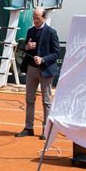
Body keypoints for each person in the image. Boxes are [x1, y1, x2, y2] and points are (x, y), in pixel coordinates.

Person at [15, 7, 60, 139]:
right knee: (29, 99)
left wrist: (43, 59)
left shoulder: (51, 32)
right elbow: (26, 49)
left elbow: (56, 52)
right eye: (33, 17)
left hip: (46, 70)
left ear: (44, 18)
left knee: (46, 101)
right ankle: (29, 128)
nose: (35, 20)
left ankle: (46, 130)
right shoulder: (30, 31)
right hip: (31, 69)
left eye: (37, 18)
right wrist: (27, 47)